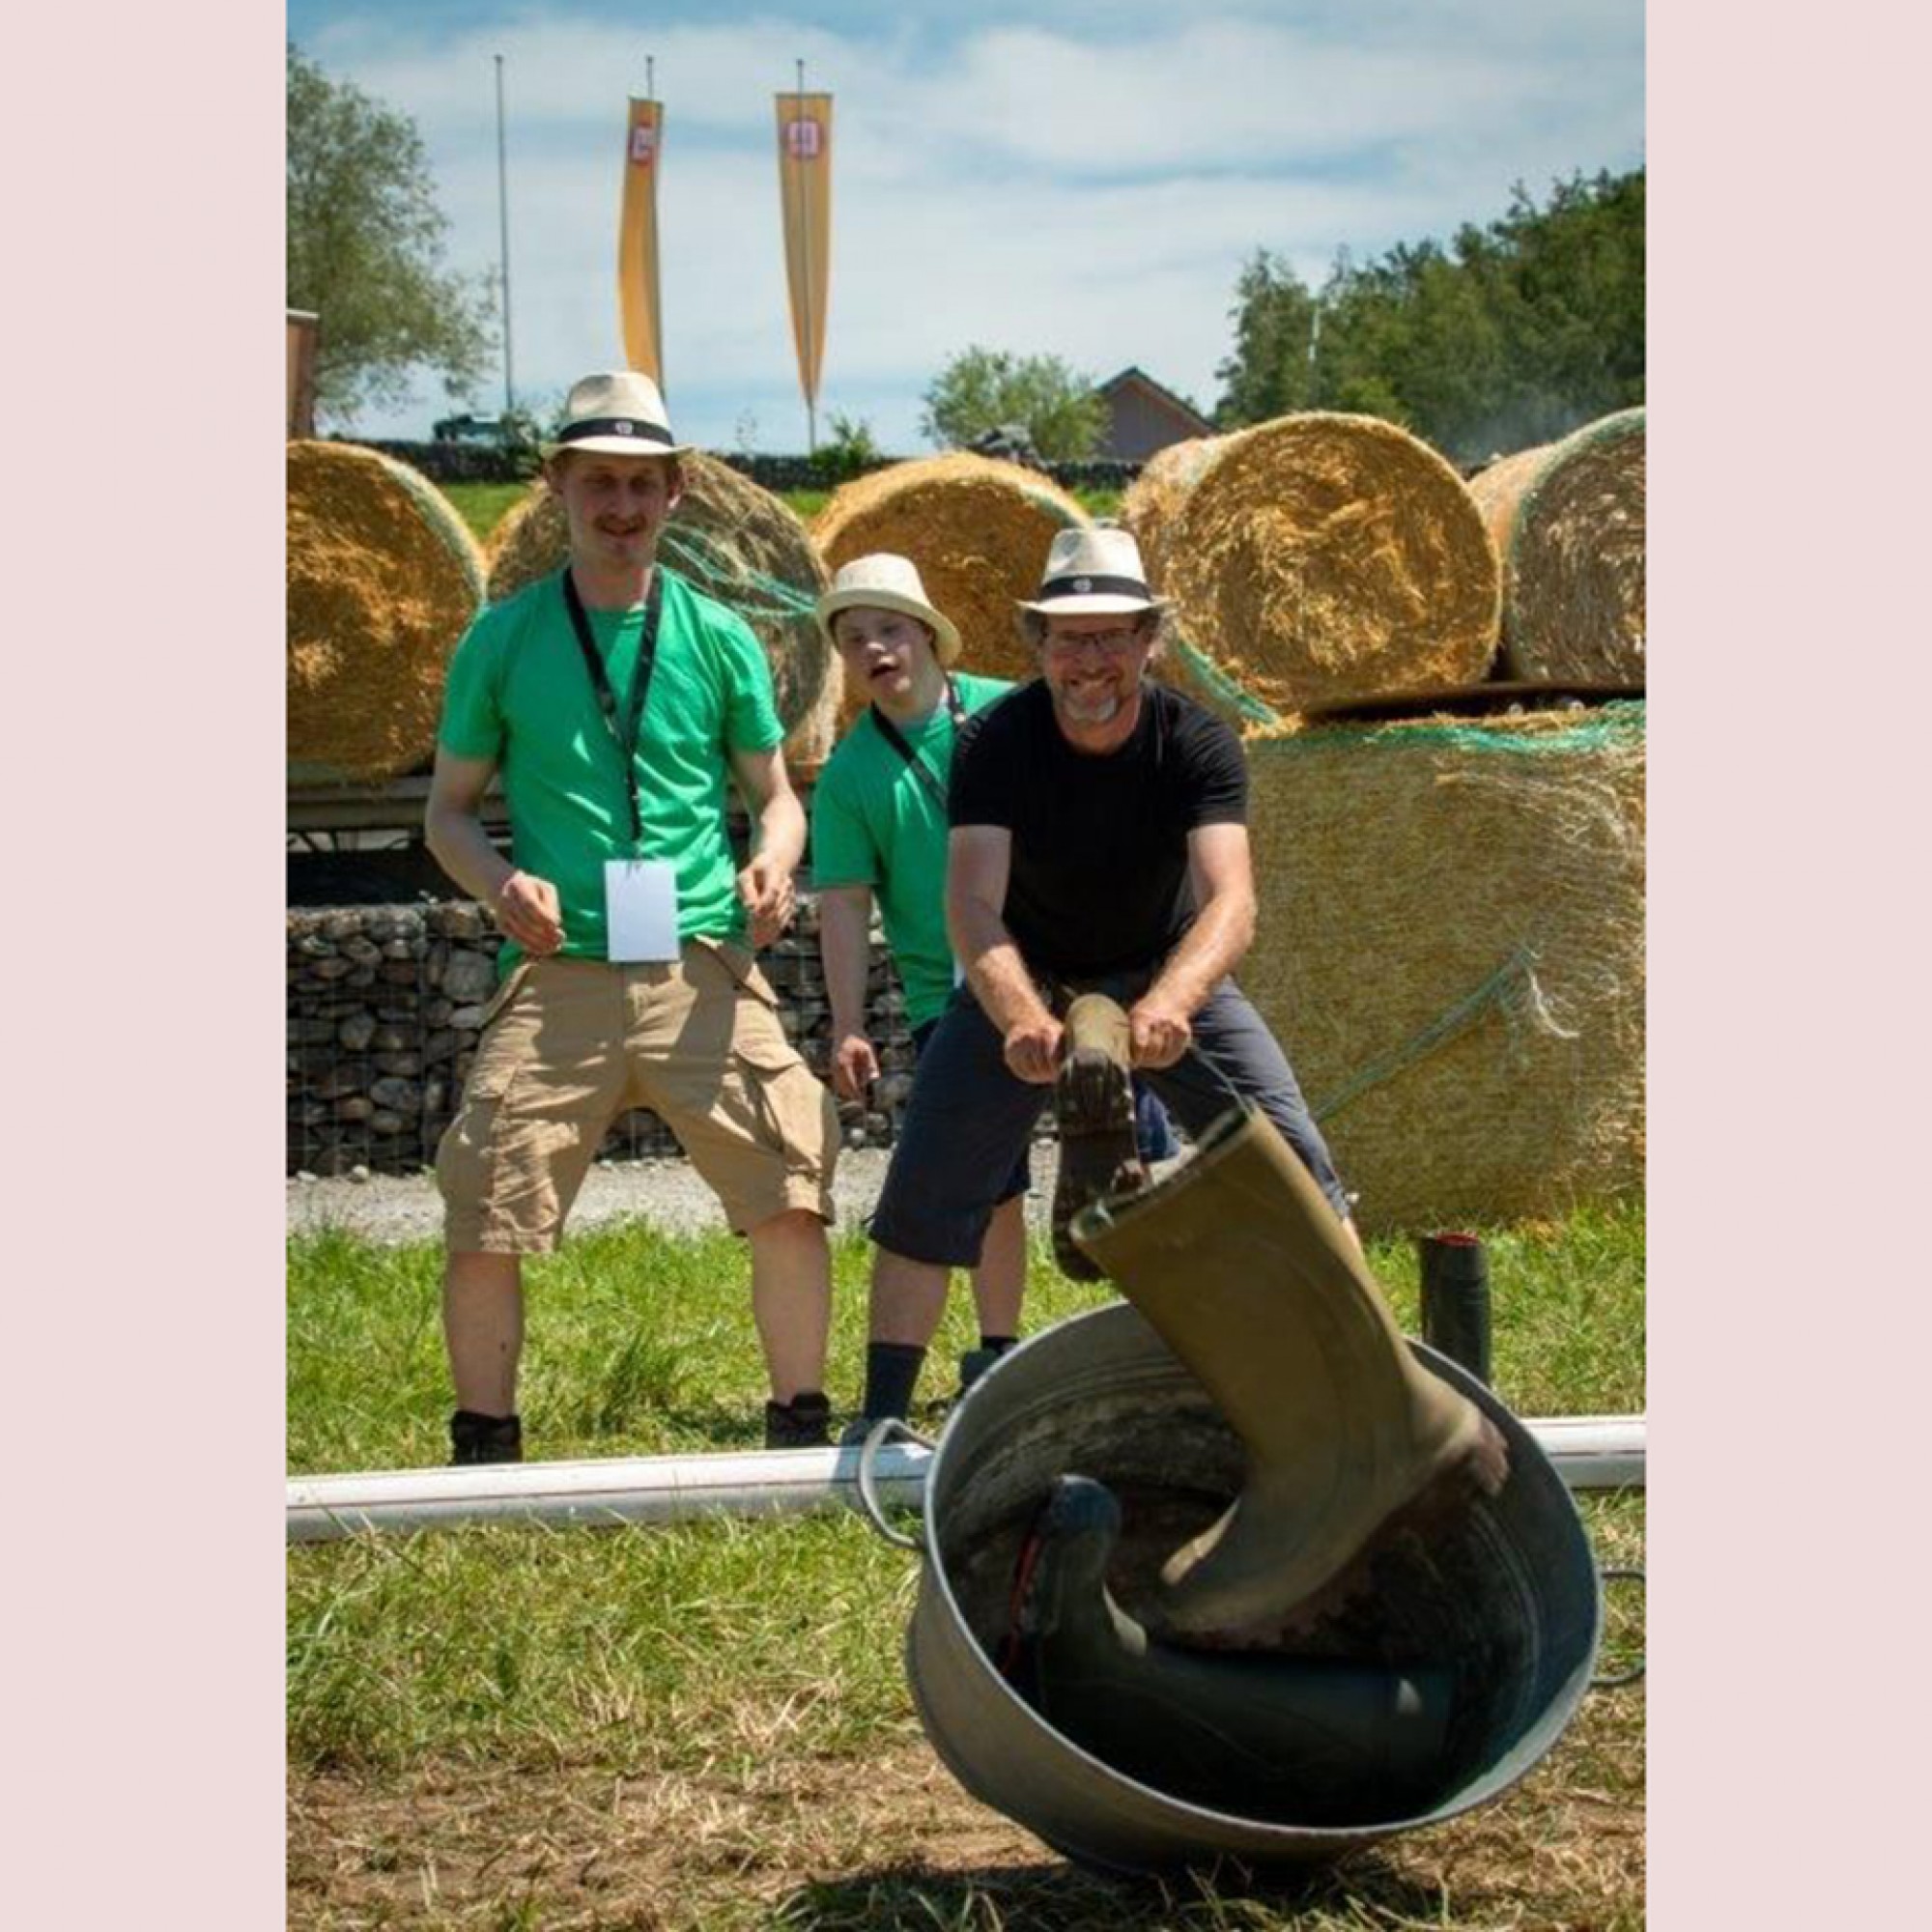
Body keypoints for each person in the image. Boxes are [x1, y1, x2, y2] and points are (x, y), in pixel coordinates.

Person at [850, 526, 1356, 1425]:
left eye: (1112, 635)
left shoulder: (1197, 741)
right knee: (925, 1185)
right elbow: (971, 904)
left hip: (1163, 972)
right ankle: (880, 1419)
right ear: (1037, 642)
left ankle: (1367, 1381)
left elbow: (1231, 900)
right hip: (1029, 976)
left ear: (1149, 640)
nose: (1090, 660)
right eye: (1070, 637)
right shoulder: (994, 742)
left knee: (1293, 1160)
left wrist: (1170, 1003)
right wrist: (1014, 1016)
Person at [425, 371, 839, 1462]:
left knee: (794, 1174)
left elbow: (777, 797)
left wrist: (773, 861)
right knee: (482, 1197)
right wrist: (500, 885)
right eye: (597, 481)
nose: (619, 506)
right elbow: (449, 816)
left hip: (701, 962)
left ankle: (799, 1427)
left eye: (640, 485)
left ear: (674, 494)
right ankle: (485, 1446)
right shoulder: (501, 640)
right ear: (555, 485)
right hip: (561, 969)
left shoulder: (720, 639)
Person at [809, 555, 1030, 1401]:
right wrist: (848, 1024)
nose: (875, 649)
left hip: (1061, 965)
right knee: (992, 1179)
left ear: (929, 635)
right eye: (855, 639)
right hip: (954, 996)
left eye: (891, 629)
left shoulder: (1013, 710)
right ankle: (996, 1351)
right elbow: (841, 905)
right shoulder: (850, 776)